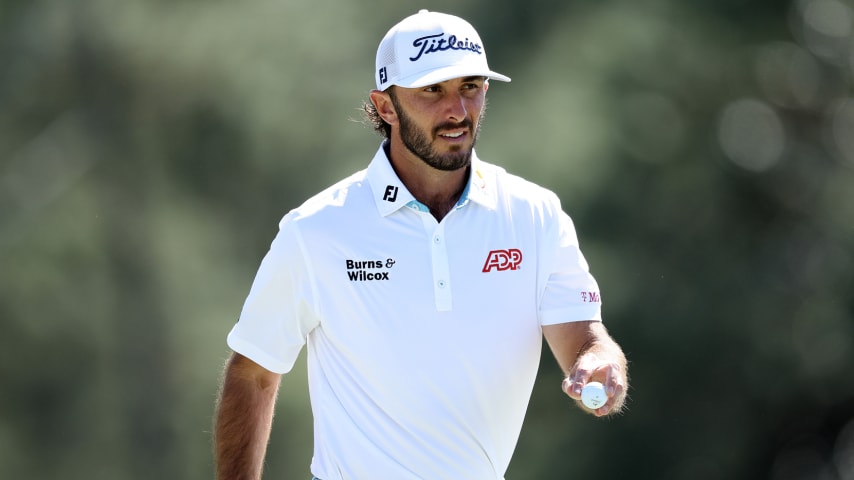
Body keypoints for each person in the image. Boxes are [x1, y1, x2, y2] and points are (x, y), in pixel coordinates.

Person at [214, 9, 628, 480]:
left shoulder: (535, 215)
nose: (457, 110)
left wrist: (600, 362)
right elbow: (253, 373)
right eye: (432, 90)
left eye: (470, 86)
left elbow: (585, 339)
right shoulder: (316, 231)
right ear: (386, 106)